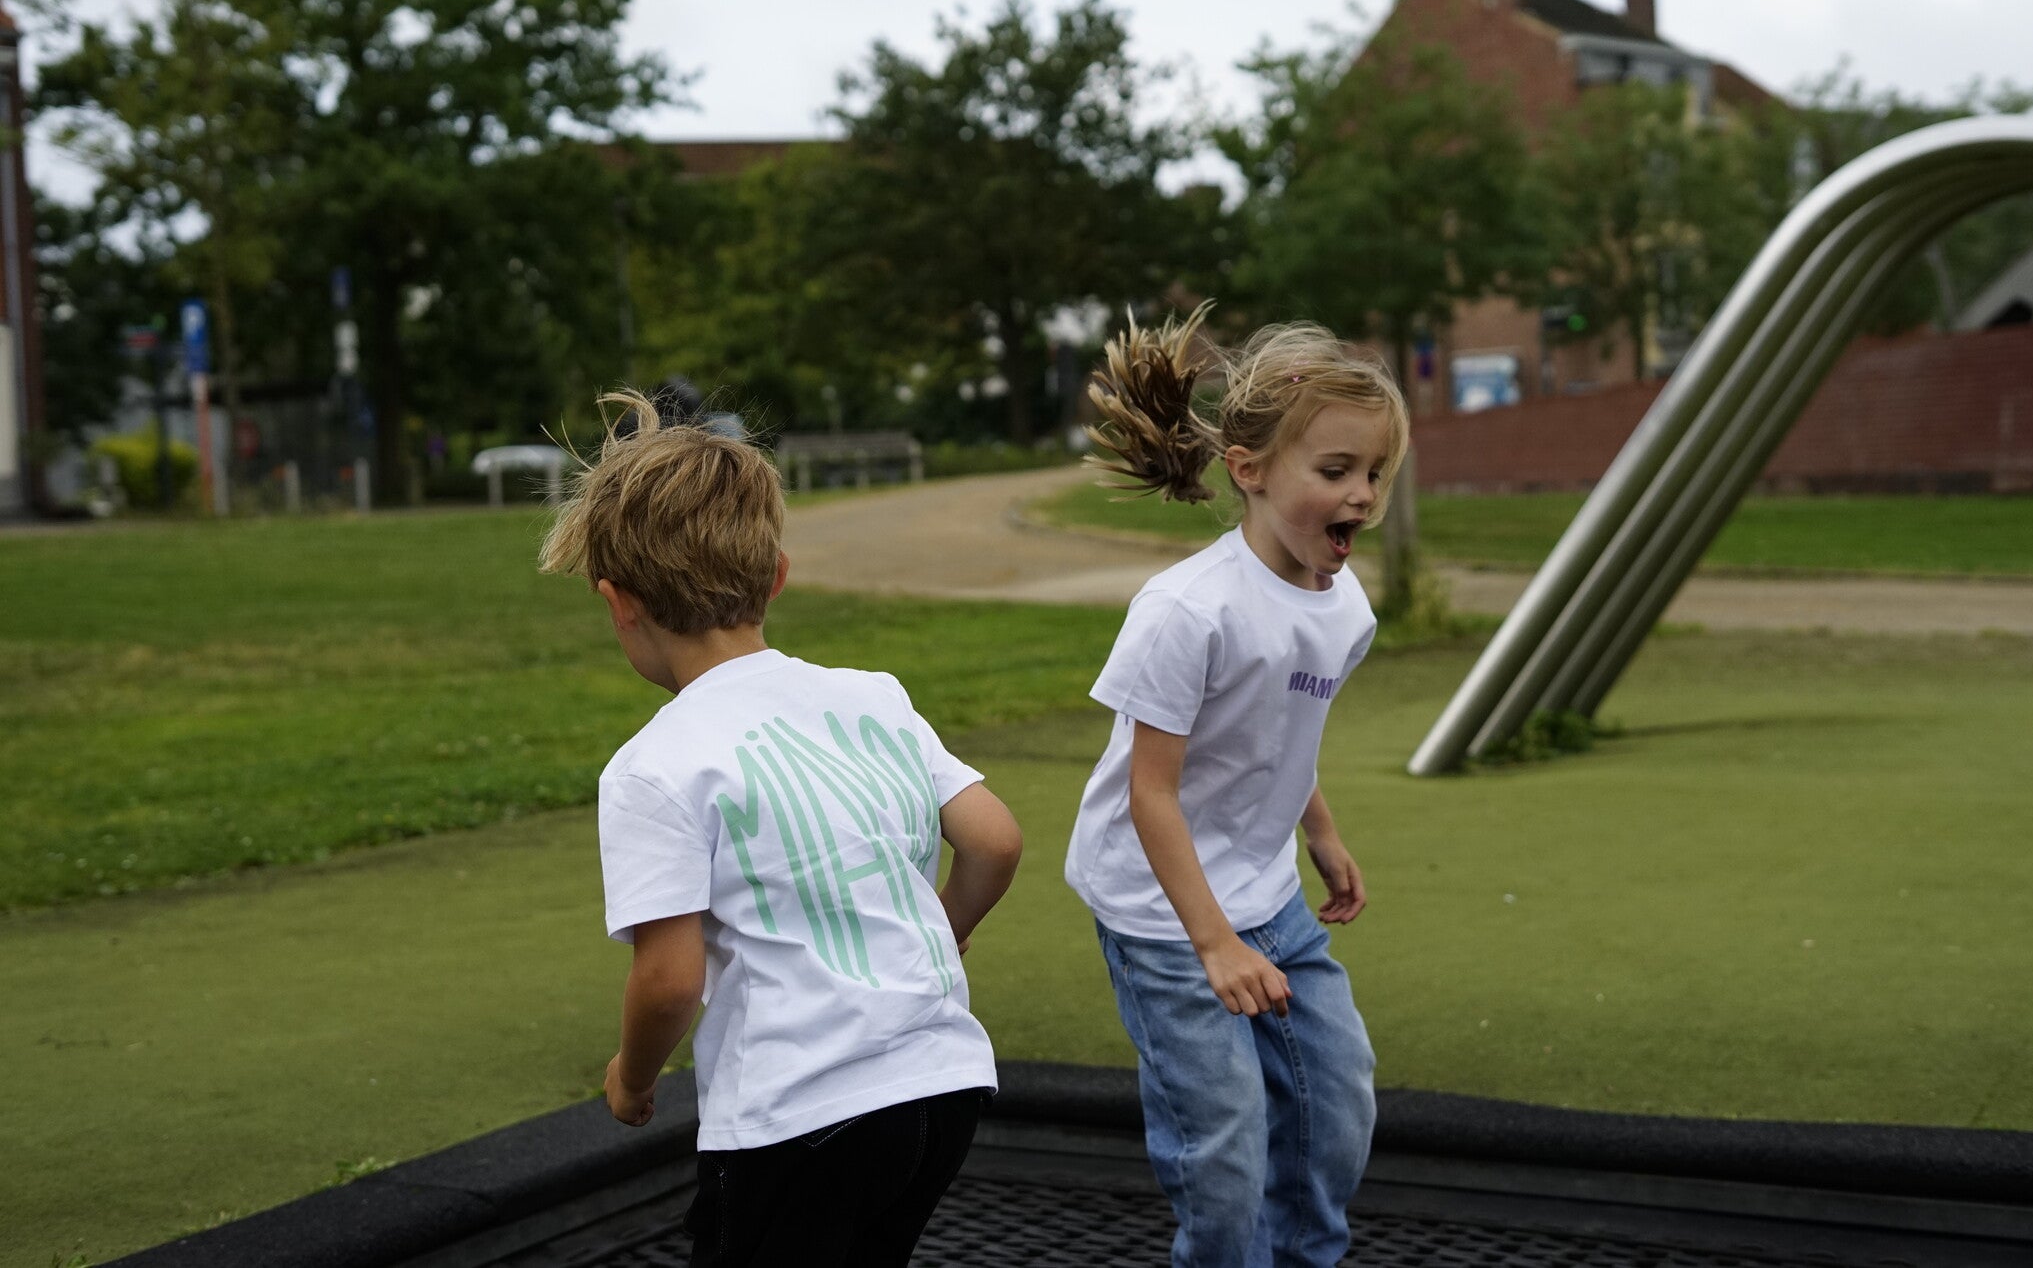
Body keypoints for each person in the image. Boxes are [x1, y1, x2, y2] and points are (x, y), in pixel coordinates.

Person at [539, 390, 1023, 1268]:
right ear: (776, 576)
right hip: (941, 1087)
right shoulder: (874, 695)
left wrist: (632, 1077)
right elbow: (993, 838)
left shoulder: (655, 763)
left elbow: (670, 977)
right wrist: (935, 939)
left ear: (619, 602)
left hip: (800, 1111)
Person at [1066, 307, 1409, 1266]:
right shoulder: (1187, 610)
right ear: (1250, 469)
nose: (1362, 495)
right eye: (1335, 471)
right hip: (1165, 911)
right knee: (1224, 1148)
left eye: (1375, 473)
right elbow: (1152, 793)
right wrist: (1213, 942)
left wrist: (1322, 829)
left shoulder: (1344, 606)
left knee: (1336, 1104)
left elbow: (1279, 733)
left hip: (1265, 893)